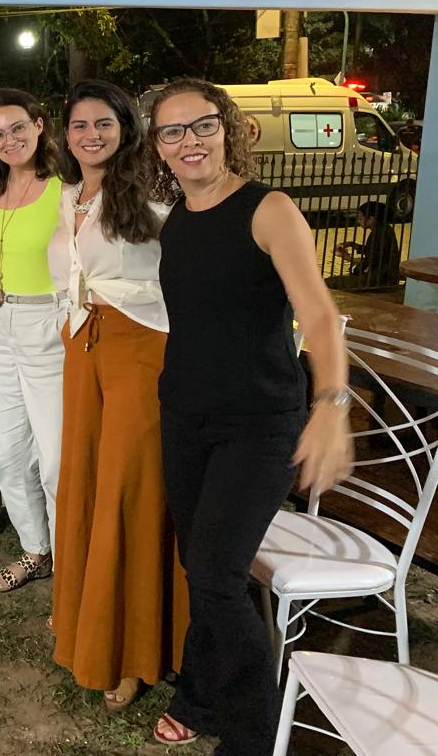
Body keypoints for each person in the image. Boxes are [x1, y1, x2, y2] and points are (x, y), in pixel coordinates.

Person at [148, 78, 353, 753]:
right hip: (186, 416)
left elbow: (319, 314)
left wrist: (331, 404)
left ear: (227, 128)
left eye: (202, 125)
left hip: (258, 424)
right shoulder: (179, 219)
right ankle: (201, 696)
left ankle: (252, 735)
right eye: (173, 131)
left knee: (214, 575)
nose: (190, 141)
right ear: (159, 147)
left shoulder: (269, 210)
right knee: (201, 566)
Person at [48, 80, 188, 712]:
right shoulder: (67, 196)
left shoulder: (154, 191)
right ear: (66, 134)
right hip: (83, 350)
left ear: (125, 128)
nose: (91, 135)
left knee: (129, 490)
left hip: (141, 351)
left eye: (103, 123)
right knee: (83, 483)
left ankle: (134, 650)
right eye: (80, 125)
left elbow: (184, 272)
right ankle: (88, 627)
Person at [0, 89, 66, 593]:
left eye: (17, 128)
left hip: (48, 324)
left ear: (39, 125)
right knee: (9, 454)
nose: (9, 141)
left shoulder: (64, 191)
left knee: (55, 458)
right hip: (1, 326)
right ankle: (36, 549)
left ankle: (71, 560)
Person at [330, 200, 400, 289]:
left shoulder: (379, 234)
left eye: (360, 218)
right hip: (383, 277)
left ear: (371, 219)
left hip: (378, 280)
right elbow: (373, 251)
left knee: (329, 282)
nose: (358, 221)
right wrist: (352, 244)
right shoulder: (383, 229)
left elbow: (371, 261)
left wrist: (348, 258)